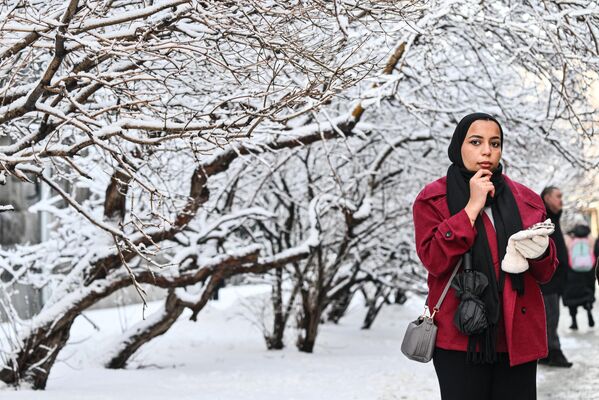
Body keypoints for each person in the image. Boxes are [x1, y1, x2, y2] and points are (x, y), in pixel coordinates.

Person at [413, 112, 558, 400]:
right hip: (458, 338)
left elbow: (546, 273)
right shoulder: (433, 199)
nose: (486, 151)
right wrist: (471, 208)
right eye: (476, 141)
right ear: (458, 146)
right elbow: (433, 260)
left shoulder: (525, 199)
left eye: (495, 143)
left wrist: (541, 252)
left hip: (517, 337)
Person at [538, 186, 574, 367]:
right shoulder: (543, 218)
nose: (562, 200)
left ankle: (546, 353)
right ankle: (554, 352)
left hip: (555, 280)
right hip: (548, 280)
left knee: (551, 317)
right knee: (551, 318)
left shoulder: (553, 218)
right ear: (547, 197)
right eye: (558, 196)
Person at [563, 220, 596, 330]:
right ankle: (588, 309)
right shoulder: (590, 239)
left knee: (572, 296)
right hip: (588, 272)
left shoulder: (570, 240)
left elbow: (564, 251)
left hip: (573, 272)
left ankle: (574, 321)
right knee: (587, 293)